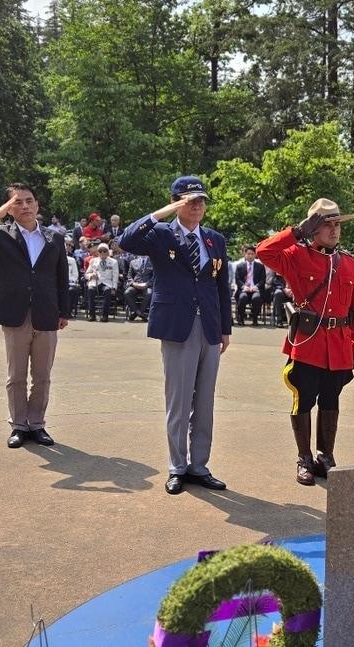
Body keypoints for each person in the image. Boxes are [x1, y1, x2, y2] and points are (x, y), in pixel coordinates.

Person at [118, 175, 232, 495]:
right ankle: (177, 466)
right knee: (179, 401)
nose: (197, 205)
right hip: (177, 325)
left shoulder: (213, 239)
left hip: (209, 326)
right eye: (189, 200)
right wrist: (162, 212)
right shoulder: (160, 233)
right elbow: (126, 241)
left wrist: (225, 328)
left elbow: (220, 286)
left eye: (201, 200)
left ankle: (199, 465)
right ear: (175, 202)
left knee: (205, 401)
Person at [256, 198, 354, 486]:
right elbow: (263, 251)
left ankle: (325, 457)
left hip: (339, 345)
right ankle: (304, 458)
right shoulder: (295, 255)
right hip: (307, 343)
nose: (334, 229)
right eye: (326, 224)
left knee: (331, 402)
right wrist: (296, 232)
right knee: (303, 401)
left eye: (337, 224)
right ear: (313, 228)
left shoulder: (350, 263)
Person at [0, 183, 72, 449]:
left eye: (29, 201)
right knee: (16, 375)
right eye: (17, 202)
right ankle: (19, 425)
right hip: (15, 313)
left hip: (47, 313)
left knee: (43, 375)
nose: (24, 206)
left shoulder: (54, 238)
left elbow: (62, 277)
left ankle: (37, 424)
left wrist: (64, 311)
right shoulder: (1, 236)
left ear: (37, 205)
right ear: (10, 209)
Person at [233, 245, 267, 326]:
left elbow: (263, 280)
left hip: (256, 289)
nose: (250, 256)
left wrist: (255, 287)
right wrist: (244, 287)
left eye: (252, 254)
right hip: (244, 289)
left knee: (256, 298)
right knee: (242, 297)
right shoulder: (240, 266)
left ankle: (255, 319)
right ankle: (241, 319)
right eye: (248, 254)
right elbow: (237, 280)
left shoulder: (260, 266)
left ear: (255, 255)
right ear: (245, 254)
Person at [85, 242, 120, 322]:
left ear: (108, 252)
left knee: (107, 291)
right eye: (100, 251)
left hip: (107, 283)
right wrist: (91, 275)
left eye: (104, 251)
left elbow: (115, 276)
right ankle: (92, 315)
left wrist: (114, 288)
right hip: (95, 282)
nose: (102, 253)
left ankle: (105, 316)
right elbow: (86, 274)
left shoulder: (113, 262)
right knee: (90, 290)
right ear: (98, 252)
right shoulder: (93, 261)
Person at [124, 255, 154, 322]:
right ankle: (139, 313)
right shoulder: (133, 262)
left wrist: (147, 284)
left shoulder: (153, 262)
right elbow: (129, 275)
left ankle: (136, 313)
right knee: (127, 292)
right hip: (135, 284)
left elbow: (154, 276)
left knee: (149, 293)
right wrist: (133, 283)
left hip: (147, 285)